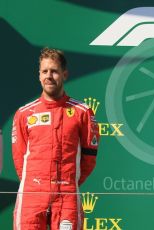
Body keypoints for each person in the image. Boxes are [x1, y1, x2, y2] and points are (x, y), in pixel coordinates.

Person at [12, 47, 100, 230]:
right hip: (31, 197)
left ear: (64, 74)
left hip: (67, 195)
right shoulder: (24, 113)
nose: (49, 76)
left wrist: (67, 182)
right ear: (39, 75)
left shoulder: (82, 112)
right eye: (44, 71)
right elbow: (20, 159)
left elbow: (89, 159)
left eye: (54, 71)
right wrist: (38, 184)